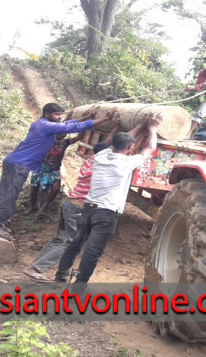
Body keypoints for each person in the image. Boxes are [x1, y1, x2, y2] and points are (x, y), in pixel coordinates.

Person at [22, 114, 149, 281]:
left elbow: (115, 143)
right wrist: (142, 128)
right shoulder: (110, 165)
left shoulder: (96, 159)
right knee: (70, 244)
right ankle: (36, 268)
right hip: (77, 207)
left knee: (60, 239)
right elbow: (120, 145)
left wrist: (129, 127)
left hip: (68, 203)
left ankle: (35, 267)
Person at [54, 114, 163, 285]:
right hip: (106, 214)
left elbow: (119, 143)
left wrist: (140, 124)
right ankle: (78, 289)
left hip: (88, 208)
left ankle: (60, 276)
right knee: (92, 252)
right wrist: (153, 127)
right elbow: (150, 147)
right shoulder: (126, 163)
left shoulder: (101, 156)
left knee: (75, 244)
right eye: (132, 147)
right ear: (130, 147)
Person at [0, 103, 115, 240]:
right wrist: (104, 119)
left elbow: (67, 123)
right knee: (9, 196)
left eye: (60, 115)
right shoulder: (46, 126)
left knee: (5, 194)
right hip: (19, 164)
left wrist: (85, 117)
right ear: (47, 114)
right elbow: (71, 127)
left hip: (14, 162)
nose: (59, 117)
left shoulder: (42, 124)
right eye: (57, 115)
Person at [28, 132, 83, 217]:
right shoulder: (47, 139)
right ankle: (33, 207)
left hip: (54, 170)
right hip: (41, 167)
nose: (64, 135)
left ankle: (43, 208)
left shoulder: (65, 142)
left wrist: (85, 124)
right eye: (62, 133)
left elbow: (80, 136)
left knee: (56, 188)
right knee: (34, 188)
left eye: (65, 133)